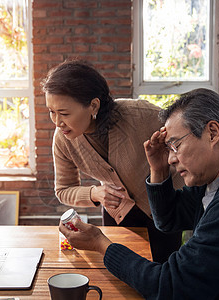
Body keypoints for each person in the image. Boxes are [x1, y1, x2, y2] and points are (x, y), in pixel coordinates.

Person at [59, 88, 219, 299]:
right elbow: (169, 220)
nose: (171, 158)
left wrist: (101, 244)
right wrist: (157, 170)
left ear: (212, 133)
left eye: (176, 145)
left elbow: (170, 287)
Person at [41, 59, 185, 263]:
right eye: (51, 112)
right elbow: (63, 189)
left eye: (64, 113)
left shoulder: (141, 115)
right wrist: (95, 193)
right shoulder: (62, 139)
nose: (57, 122)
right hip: (118, 214)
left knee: (164, 274)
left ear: (93, 105)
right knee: (120, 273)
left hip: (165, 209)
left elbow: (186, 140)